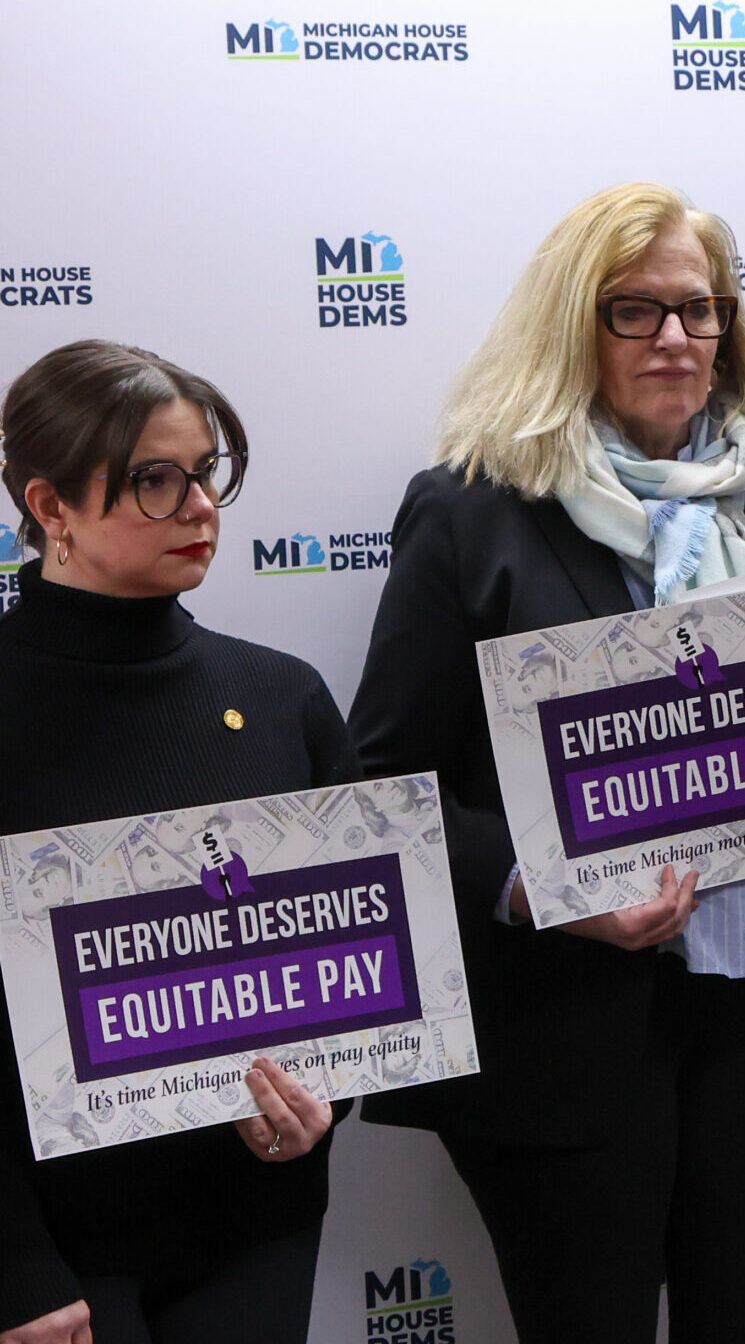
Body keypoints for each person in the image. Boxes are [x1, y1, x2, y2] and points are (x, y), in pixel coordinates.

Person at [347, 183, 745, 1342]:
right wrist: (543, 894)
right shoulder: (473, 512)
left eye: (698, 309)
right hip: (567, 1025)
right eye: (634, 310)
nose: (675, 338)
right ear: (571, 325)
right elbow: (387, 789)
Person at [0, 341, 343, 1343]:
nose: (199, 507)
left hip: (256, 1222)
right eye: (154, 480)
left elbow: (364, 962)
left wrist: (323, 1106)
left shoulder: (283, 699)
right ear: (50, 505)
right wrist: (12, 1261)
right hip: (57, 1250)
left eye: (206, 473)